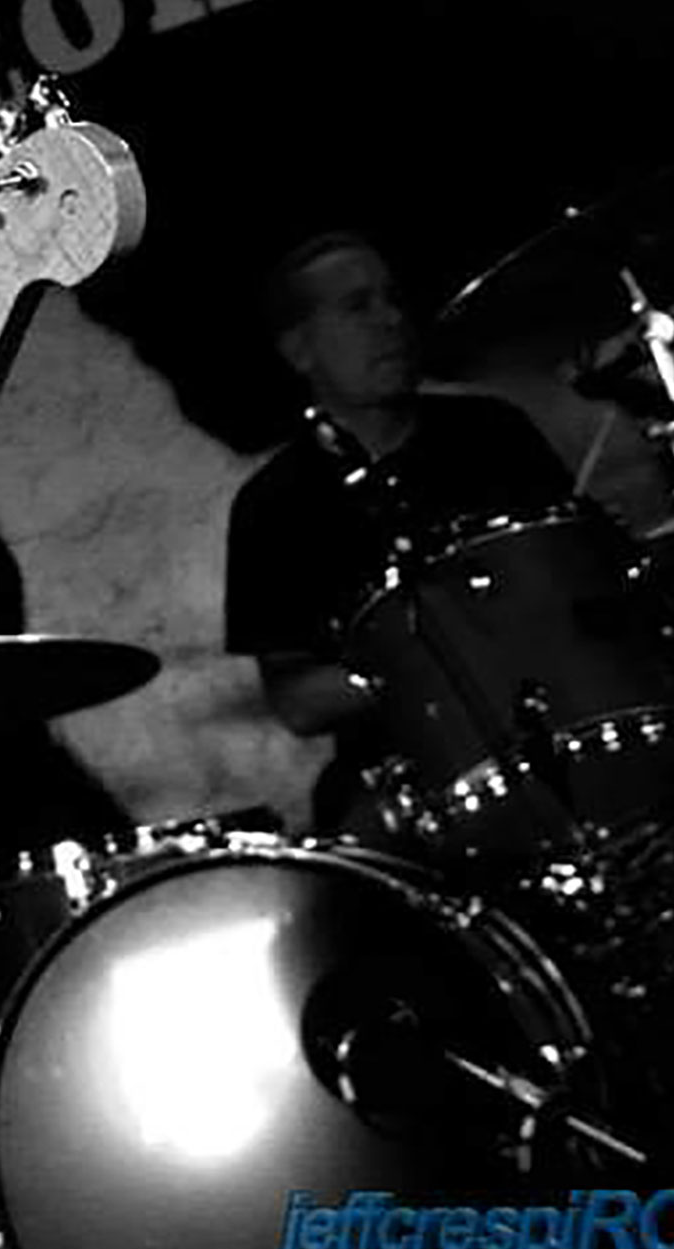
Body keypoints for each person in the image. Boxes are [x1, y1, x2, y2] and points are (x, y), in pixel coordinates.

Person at [221, 230, 578, 833]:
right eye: (358, 306)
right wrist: (427, 658)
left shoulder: (493, 431)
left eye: (392, 299)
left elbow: (583, 577)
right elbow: (296, 702)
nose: (390, 320)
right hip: (409, 772)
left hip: (567, 719)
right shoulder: (273, 505)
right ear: (299, 350)